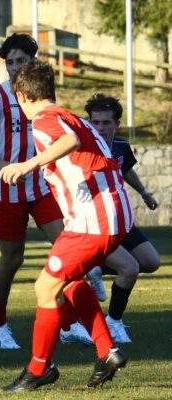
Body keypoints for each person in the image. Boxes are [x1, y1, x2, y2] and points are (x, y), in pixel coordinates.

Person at [0, 61, 134, 391]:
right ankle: (107, 351)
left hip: (93, 219)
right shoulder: (67, 113)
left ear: (21, 95)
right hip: (107, 214)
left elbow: (69, 141)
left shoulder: (45, 120)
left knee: (45, 288)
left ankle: (39, 368)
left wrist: (28, 164)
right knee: (69, 281)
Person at [0, 33, 64, 350]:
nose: (14, 67)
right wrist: (3, 164)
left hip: (41, 186)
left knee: (67, 250)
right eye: (9, 62)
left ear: (33, 62)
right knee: (12, 259)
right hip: (7, 192)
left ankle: (70, 323)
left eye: (21, 61)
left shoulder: (44, 97)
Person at [82, 93, 161, 343]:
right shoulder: (81, 148)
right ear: (89, 123)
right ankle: (113, 321)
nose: (101, 127)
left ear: (117, 124)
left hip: (122, 220)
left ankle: (95, 269)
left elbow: (126, 170)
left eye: (107, 123)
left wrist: (145, 193)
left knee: (151, 262)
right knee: (131, 268)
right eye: (96, 122)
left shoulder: (121, 147)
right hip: (99, 223)